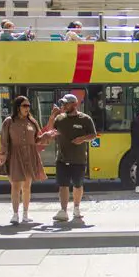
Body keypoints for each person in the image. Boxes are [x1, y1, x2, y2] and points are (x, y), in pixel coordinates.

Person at [0, 96, 56, 224]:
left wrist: (46, 136)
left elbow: (37, 139)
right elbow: (3, 140)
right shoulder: (9, 121)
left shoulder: (32, 121)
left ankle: (25, 214)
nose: (27, 108)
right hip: (14, 156)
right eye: (24, 106)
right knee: (15, 185)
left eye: (29, 106)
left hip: (29, 156)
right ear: (17, 107)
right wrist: (3, 155)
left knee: (26, 187)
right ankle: (15, 214)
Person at [48, 94, 97, 222]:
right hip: (62, 158)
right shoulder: (60, 118)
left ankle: (76, 208)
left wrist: (82, 139)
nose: (63, 106)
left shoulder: (85, 119)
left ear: (75, 105)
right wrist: (52, 116)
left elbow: (93, 134)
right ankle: (63, 210)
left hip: (79, 158)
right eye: (63, 103)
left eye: (66, 103)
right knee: (63, 185)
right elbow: (49, 131)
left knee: (77, 184)